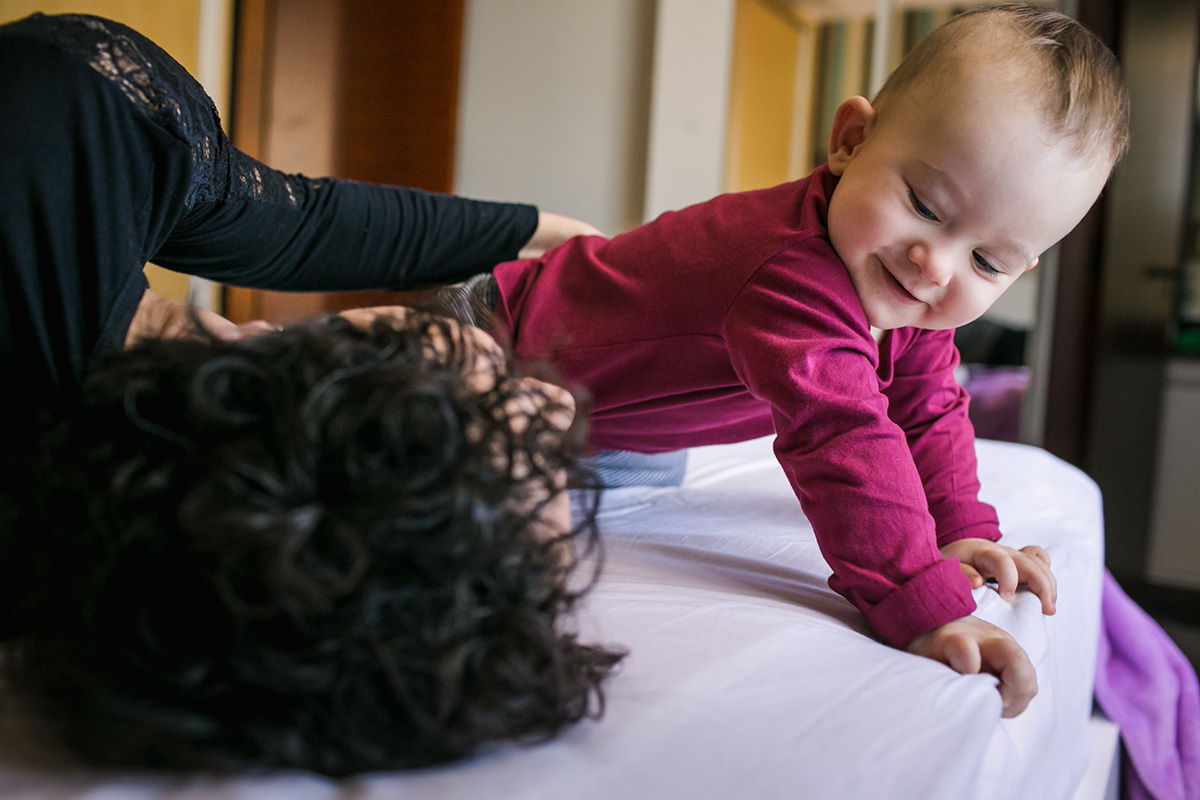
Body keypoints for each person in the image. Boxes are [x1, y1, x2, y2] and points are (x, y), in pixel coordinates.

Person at [459, 4, 1129, 718]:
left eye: (987, 262)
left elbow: (926, 406)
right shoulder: (792, 273)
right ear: (850, 140)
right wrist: (924, 605)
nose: (934, 263)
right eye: (924, 204)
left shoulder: (905, 294)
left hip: (598, 428)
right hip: (488, 348)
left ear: (1019, 270)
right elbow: (843, 436)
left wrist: (962, 527)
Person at [0, 12, 622, 774]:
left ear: (332, 417)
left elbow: (276, 218)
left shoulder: (64, 116)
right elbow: (286, 225)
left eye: (504, 411)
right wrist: (569, 242)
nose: (560, 403)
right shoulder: (57, 531)